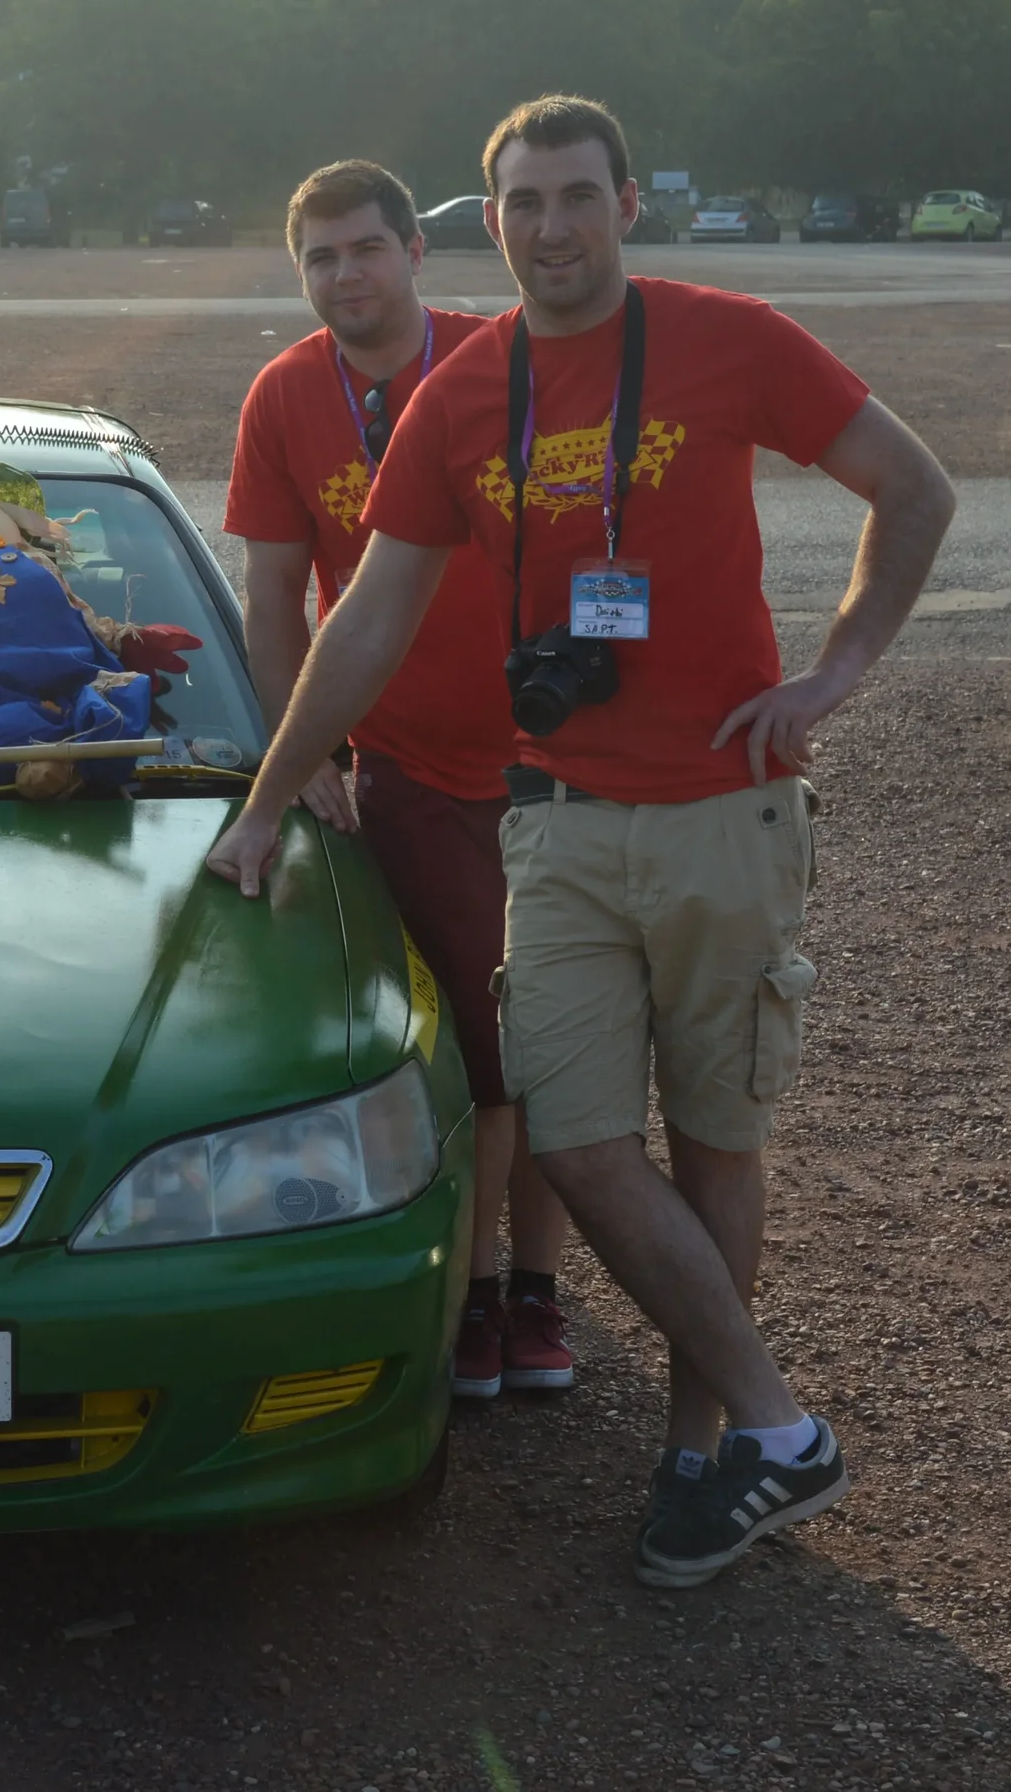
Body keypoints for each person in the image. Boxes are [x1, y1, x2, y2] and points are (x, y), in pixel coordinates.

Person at [209, 97, 953, 1587]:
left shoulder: (727, 335)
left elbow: (916, 489)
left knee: (716, 1138)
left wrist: (836, 670)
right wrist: (276, 789)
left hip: (723, 812)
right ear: (490, 224)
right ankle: (778, 1421)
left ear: (626, 202)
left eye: (576, 196)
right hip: (551, 813)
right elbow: (366, 614)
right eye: (523, 203)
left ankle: (706, 1458)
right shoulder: (466, 393)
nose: (551, 228)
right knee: (575, 1134)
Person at [225, 159, 573, 1401]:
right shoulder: (283, 396)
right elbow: (271, 599)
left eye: (366, 248)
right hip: (407, 771)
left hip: (550, 765)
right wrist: (299, 752)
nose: (345, 276)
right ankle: (473, 1293)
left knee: (556, 1042)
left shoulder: (505, 363)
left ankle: (533, 1288)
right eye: (319, 258)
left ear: (416, 254)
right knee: (481, 1046)